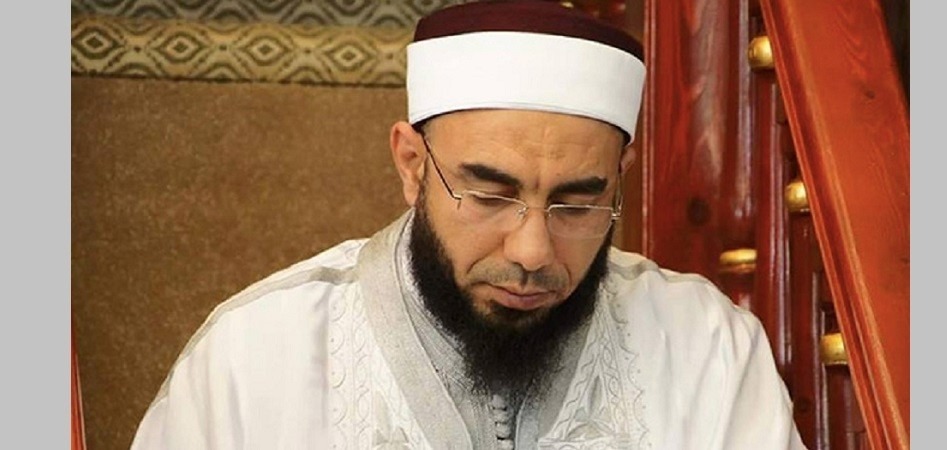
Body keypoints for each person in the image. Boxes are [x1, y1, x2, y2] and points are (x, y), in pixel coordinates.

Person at [131, 1, 807, 448]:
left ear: (618, 177)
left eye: (577, 204)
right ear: (411, 164)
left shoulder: (705, 349)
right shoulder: (256, 355)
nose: (533, 251)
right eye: (489, 196)